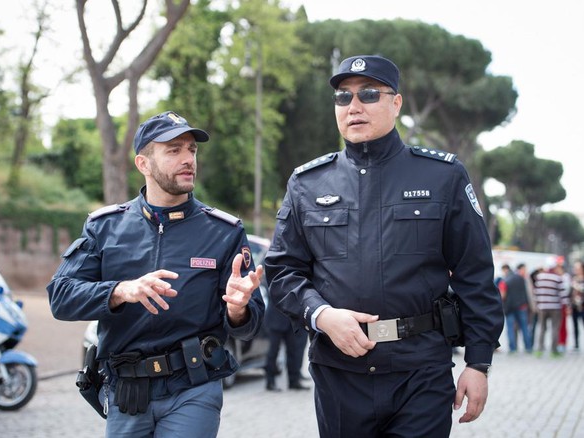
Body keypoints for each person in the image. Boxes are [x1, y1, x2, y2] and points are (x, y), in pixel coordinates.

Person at [264, 54, 504, 437]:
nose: (354, 107)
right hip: (340, 371)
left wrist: (478, 363)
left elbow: (475, 274)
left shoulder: (443, 176)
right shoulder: (308, 183)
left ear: (396, 103)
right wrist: (321, 315)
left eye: (369, 94)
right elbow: (282, 272)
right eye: (343, 97)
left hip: (421, 371)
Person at [47, 111, 265, 437]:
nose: (188, 158)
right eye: (173, 150)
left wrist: (238, 310)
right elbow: (61, 297)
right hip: (126, 391)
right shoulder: (104, 227)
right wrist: (120, 291)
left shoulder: (224, 231)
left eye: (191, 149)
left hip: (193, 387)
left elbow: (252, 324)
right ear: (143, 164)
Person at [263, 297, 310, 392]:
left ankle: (294, 381)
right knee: (273, 352)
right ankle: (270, 382)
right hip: (275, 319)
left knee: (293, 351)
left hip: (291, 320)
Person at [533, 261, 569, 357]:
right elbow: (563, 295)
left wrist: (538, 304)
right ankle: (554, 351)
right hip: (555, 308)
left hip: (542, 307)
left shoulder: (539, 277)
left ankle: (539, 350)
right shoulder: (557, 278)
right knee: (555, 329)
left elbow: (536, 292)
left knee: (542, 328)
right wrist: (566, 306)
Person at [501, 264, 533, 353]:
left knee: (510, 328)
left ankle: (512, 348)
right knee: (525, 328)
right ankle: (528, 347)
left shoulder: (505, 280)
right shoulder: (521, 278)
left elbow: (502, 295)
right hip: (522, 306)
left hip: (510, 308)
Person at [570, 260, 584, 350]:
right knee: (575, 326)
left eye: (578, 268)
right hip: (574, 306)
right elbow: (569, 292)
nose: (576, 270)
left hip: (583, 306)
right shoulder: (573, 279)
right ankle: (576, 344)